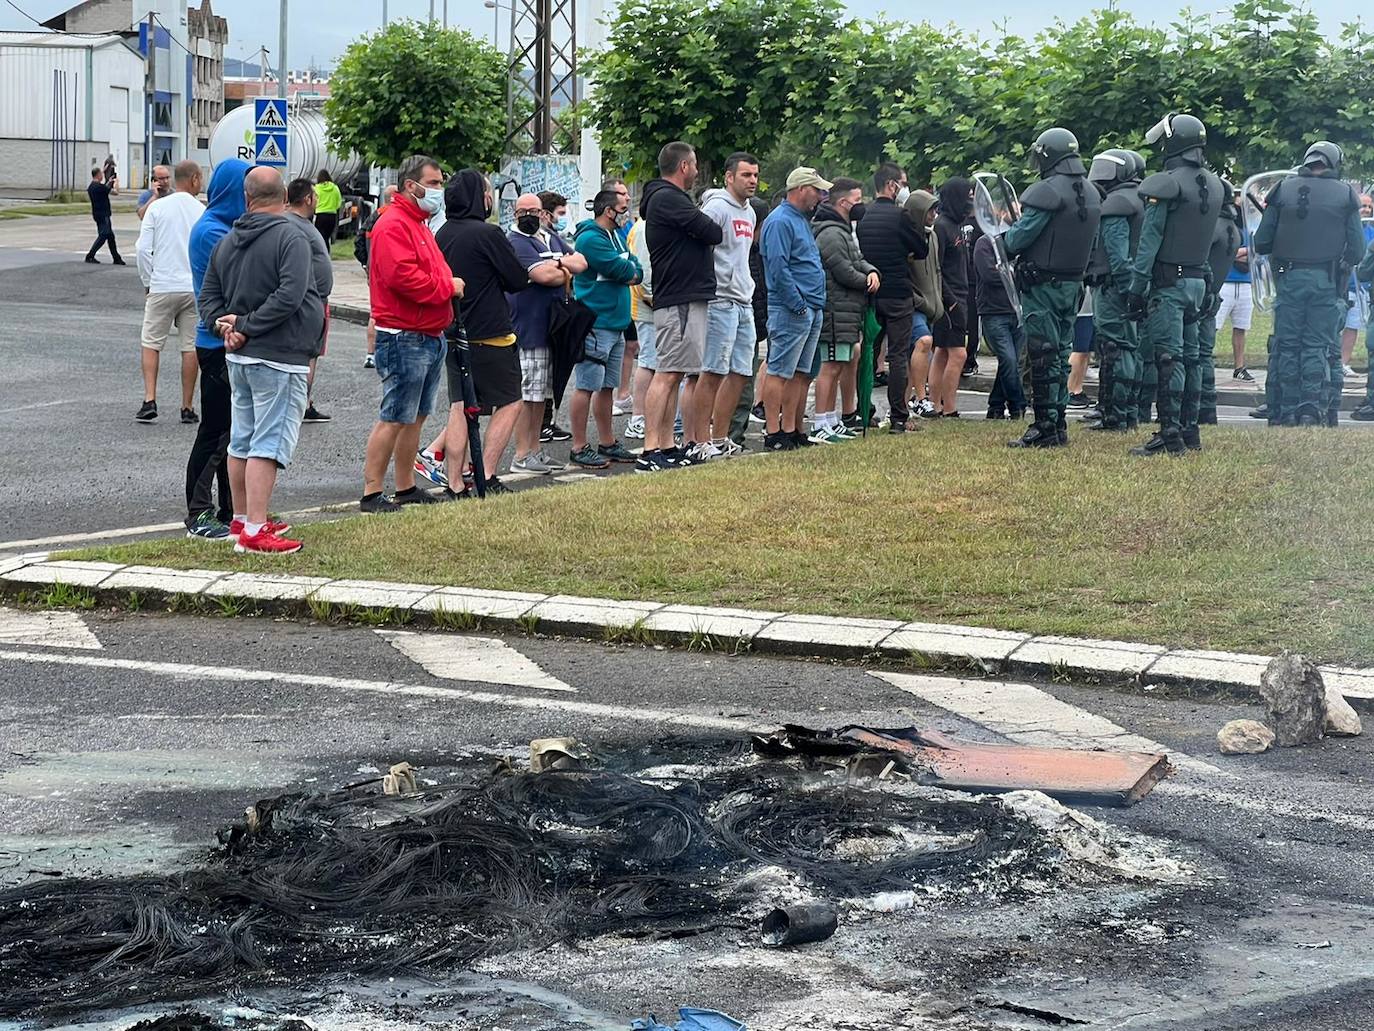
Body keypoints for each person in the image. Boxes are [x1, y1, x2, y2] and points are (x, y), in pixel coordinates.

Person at [197, 167, 323, 555]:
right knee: (267, 443)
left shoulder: (228, 241)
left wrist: (225, 328)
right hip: (279, 356)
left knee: (242, 439)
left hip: (239, 357)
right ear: (284, 196)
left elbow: (207, 298)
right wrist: (248, 326)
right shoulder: (292, 237)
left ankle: (240, 519)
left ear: (247, 199)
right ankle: (255, 529)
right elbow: (290, 295)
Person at [361, 155, 464, 511]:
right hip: (404, 334)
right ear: (411, 185)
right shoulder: (394, 224)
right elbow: (403, 277)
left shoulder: (417, 222)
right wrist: (446, 287)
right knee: (394, 416)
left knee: (415, 417)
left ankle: (405, 486)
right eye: (433, 183)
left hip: (426, 332)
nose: (438, 191)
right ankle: (372, 491)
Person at [426, 168, 531, 494]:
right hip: (490, 333)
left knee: (461, 407)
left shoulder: (442, 233)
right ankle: (485, 472)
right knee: (511, 401)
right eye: (487, 192)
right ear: (478, 197)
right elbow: (517, 279)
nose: (490, 198)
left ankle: (454, 481)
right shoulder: (488, 234)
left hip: (455, 332)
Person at [1124, 114, 1222, 453]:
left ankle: (1169, 435)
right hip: (1197, 281)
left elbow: (1150, 239)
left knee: (1170, 359)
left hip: (1170, 285)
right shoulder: (1214, 184)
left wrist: (1136, 287)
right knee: (1192, 359)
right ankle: (1189, 431)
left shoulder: (1165, 183)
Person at [1252, 140, 1362, 428]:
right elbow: (1357, 250)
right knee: (1316, 346)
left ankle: (1286, 410)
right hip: (1326, 281)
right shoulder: (1346, 194)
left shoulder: (1282, 189)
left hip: (1289, 279)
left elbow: (1262, 242)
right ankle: (1310, 410)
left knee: (1287, 346)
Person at [1003, 127, 1101, 448]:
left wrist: (1002, 240)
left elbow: (1020, 237)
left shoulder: (1046, 191)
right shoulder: (1089, 191)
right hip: (1073, 285)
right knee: (1060, 354)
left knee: (1043, 356)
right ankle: (1057, 424)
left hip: (1043, 286)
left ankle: (1044, 427)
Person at [636, 141, 723, 472]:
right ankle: (649, 449)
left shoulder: (667, 200)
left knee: (674, 373)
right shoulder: (667, 199)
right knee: (668, 372)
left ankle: (667, 444)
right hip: (680, 297)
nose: (698, 171)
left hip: (683, 296)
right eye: (695, 165)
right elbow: (712, 231)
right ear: (684, 167)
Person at [183, 158, 250, 542]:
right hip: (215, 343)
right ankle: (198, 512)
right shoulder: (213, 232)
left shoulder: (225, 227)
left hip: (228, 342)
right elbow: (234, 286)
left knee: (234, 432)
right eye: (245, 190)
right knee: (215, 432)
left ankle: (231, 508)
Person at [506, 193, 585, 474]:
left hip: (553, 328)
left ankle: (535, 450)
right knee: (529, 396)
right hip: (530, 328)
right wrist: (563, 265)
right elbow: (542, 276)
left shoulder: (549, 236)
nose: (529, 215)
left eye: (534, 210)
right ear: (515, 214)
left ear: (544, 214)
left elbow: (582, 263)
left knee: (543, 395)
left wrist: (558, 265)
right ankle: (521, 454)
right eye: (523, 211)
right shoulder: (515, 242)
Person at [569, 188, 643, 467]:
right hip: (596, 323)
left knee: (607, 387)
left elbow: (635, 267)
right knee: (587, 385)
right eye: (623, 208)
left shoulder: (615, 237)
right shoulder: (590, 239)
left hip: (616, 324)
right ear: (608, 211)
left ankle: (607, 442)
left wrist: (628, 269)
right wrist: (627, 270)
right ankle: (578, 446)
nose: (627, 213)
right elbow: (623, 270)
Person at [759, 167, 830, 450]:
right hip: (793, 307)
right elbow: (778, 267)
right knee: (779, 371)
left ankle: (793, 428)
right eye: (817, 190)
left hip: (810, 305)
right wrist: (797, 304)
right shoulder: (779, 221)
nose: (820, 196)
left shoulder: (800, 219)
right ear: (801, 189)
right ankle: (774, 432)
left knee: (802, 372)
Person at [694, 152, 760, 459]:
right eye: (746, 175)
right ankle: (699, 441)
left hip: (743, 299)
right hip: (719, 299)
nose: (752, 181)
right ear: (729, 177)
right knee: (713, 371)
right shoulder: (717, 207)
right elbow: (699, 248)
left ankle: (720, 438)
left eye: (755, 175)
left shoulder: (750, 213)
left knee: (741, 372)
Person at [856, 161, 928, 433]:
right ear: (891, 185)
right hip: (898, 293)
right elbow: (919, 250)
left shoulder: (863, 216)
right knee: (897, 355)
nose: (904, 188)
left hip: (871, 293)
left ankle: (864, 411)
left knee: (868, 354)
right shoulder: (901, 217)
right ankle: (899, 416)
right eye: (903, 182)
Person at [134, 159, 205, 424]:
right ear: (195, 179)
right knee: (189, 347)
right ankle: (187, 406)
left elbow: (142, 249)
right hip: (192, 287)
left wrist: (148, 281)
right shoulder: (201, 210)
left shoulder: (158, 208)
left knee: (151, 342)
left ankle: (150, 399)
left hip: (162, 284)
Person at [1082, 149, 1144, 432]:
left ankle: (1115, 415)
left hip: (1113, 289)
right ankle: (1127, 413)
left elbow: (1118, 256)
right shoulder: (1139, 197)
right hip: (1130, 287)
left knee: (1114, 350)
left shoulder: (1117, 203)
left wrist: (1125, 289)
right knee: (1129, 349)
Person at [811, 176, 877, 441]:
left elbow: (858, 260)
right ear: (842, 202)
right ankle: (820, 422)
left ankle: (830, 419)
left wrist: (871, 271)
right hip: (835, 311)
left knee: (840, 364)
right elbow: (843, 270)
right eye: (857, 201)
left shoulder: (843, 230)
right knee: (830, 367)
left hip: (846, 311)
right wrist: (866, 282)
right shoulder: (830, 232)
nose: (860, 206)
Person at [286, 177, 335, 423]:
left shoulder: (298, 224)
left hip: (312, 299)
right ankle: (301, 404)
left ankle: (303, 401)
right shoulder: (297, 226)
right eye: (314, 196)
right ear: (307, 199)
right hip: (309, 302)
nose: (317, 200)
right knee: (309, 354)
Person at [1197, 179, 1242, 428]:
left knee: (1192, 355)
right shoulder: (1233, 229)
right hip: (1214, 294)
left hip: (1200, 295)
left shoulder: (1211, 227)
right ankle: (1207, 409)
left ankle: (1197, 407)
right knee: (1205, 354)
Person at [929, 177, 975, 417]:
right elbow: (936, 268)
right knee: (958, 353)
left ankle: (935, 404)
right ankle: (949, 407)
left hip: (962, 293)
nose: (971, 201)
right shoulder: (942, 226)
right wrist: (950, 300)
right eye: (968, 196)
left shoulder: (958, 224)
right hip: (950, 299)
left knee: (943, 352)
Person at [974, 232, 1026, 419]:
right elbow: (990, 275)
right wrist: (1016, 272)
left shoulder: (1021, 242)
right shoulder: (985, 243)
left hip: (1018, 311)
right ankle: (1017, 405)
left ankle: (995, 406)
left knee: (1010, 363)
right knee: (1009, 360)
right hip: (993, 311)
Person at [903, 188, 942, 423]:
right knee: (923, 342)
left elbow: (937, 271)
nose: (934, 214)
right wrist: (918, 300)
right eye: (930, 210)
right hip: (914, 305)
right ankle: (920, 397)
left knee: (913, 357)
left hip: (932, 305)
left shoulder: (934, 236)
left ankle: (901, 406)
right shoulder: (906, 236)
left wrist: (940, 302)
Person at [1218, 185, 1256, 383]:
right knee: (1213, 326)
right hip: (1225, 281)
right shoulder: (1222, 225)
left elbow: (1255, 252)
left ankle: (1239, 367)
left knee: (1241, 327)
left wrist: (1236, 254)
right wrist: (1240, 254)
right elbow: (1224, 251)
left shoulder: (1249, 229)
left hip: (1245, 283)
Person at [357, 184, 398, 370]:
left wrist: (366, 264)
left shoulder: (374, 217)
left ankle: (371, 354)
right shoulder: (397, 218)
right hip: (391, 272)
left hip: (374, 273)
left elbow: (358, 242)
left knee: (375, 312)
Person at [624, 212, 655, 442]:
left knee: (655, 362)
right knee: (649, 362)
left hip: (653, 303)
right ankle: (638, 419)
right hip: (648, 305)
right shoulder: (645, 229)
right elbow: (644, 270)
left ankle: (649, 416)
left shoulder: (647, 226)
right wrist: (652, 297)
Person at [1340, 193, 1374, 379]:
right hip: (1344, 284)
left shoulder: (1372, 232)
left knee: (1353, 327)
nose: (1366, 210)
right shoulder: (1344, 229)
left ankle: (1344, 362)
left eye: (1369, 207)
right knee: (1337, 325)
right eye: (1363, 206)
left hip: (1362, 288)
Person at [84, 167, 124, 265]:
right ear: (98, 175)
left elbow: (104, 190)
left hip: (97, 213)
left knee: (110, 236)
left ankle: (116, 258)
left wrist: (109, 182)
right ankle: (90, 255)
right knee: (104, 235)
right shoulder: (99, 187)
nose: (102, 176)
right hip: (104, 214)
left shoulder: (91, 187)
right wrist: (116, 183)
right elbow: (115, 192)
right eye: (101, 174)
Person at [312, 169, 343, 244]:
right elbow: (339, 202)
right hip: (332, 215)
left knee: (320, 237)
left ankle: (322, 252)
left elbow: (313, 201)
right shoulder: (335, 188)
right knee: (327, 237)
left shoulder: (316, 189)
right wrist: (333, 208)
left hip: (320, 215)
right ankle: (327, 252)